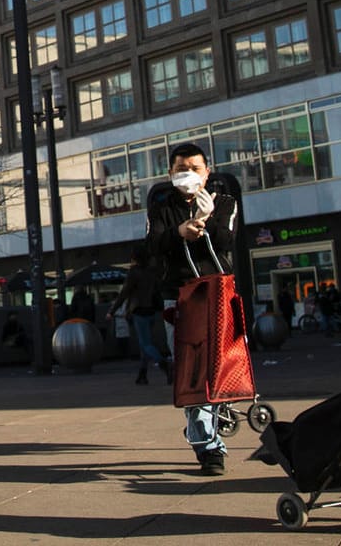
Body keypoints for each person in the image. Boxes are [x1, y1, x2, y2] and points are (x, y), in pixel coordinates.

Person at [144, 141, 240, 476]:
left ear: (207, 172)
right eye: (181, 169)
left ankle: (207, 421)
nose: (188, 174)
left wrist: (206, 218)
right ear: (170, 174)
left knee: (223, 368)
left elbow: (227, 241)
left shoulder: (224, 202)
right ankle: (209, 447)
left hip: (218, 294)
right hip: (181, 297)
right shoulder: (161, 207)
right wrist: (180, 232)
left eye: (194, 168)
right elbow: (154, 244)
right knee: (194, 373)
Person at [107, 243, 172, 385]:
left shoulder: (134, 272)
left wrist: (112, 311)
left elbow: (125, 292)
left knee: (146, 343)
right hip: (151, 310)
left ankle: (164, 364)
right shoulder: (152, 271)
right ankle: (142, 374)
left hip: (139, 311)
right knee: (145, 344)